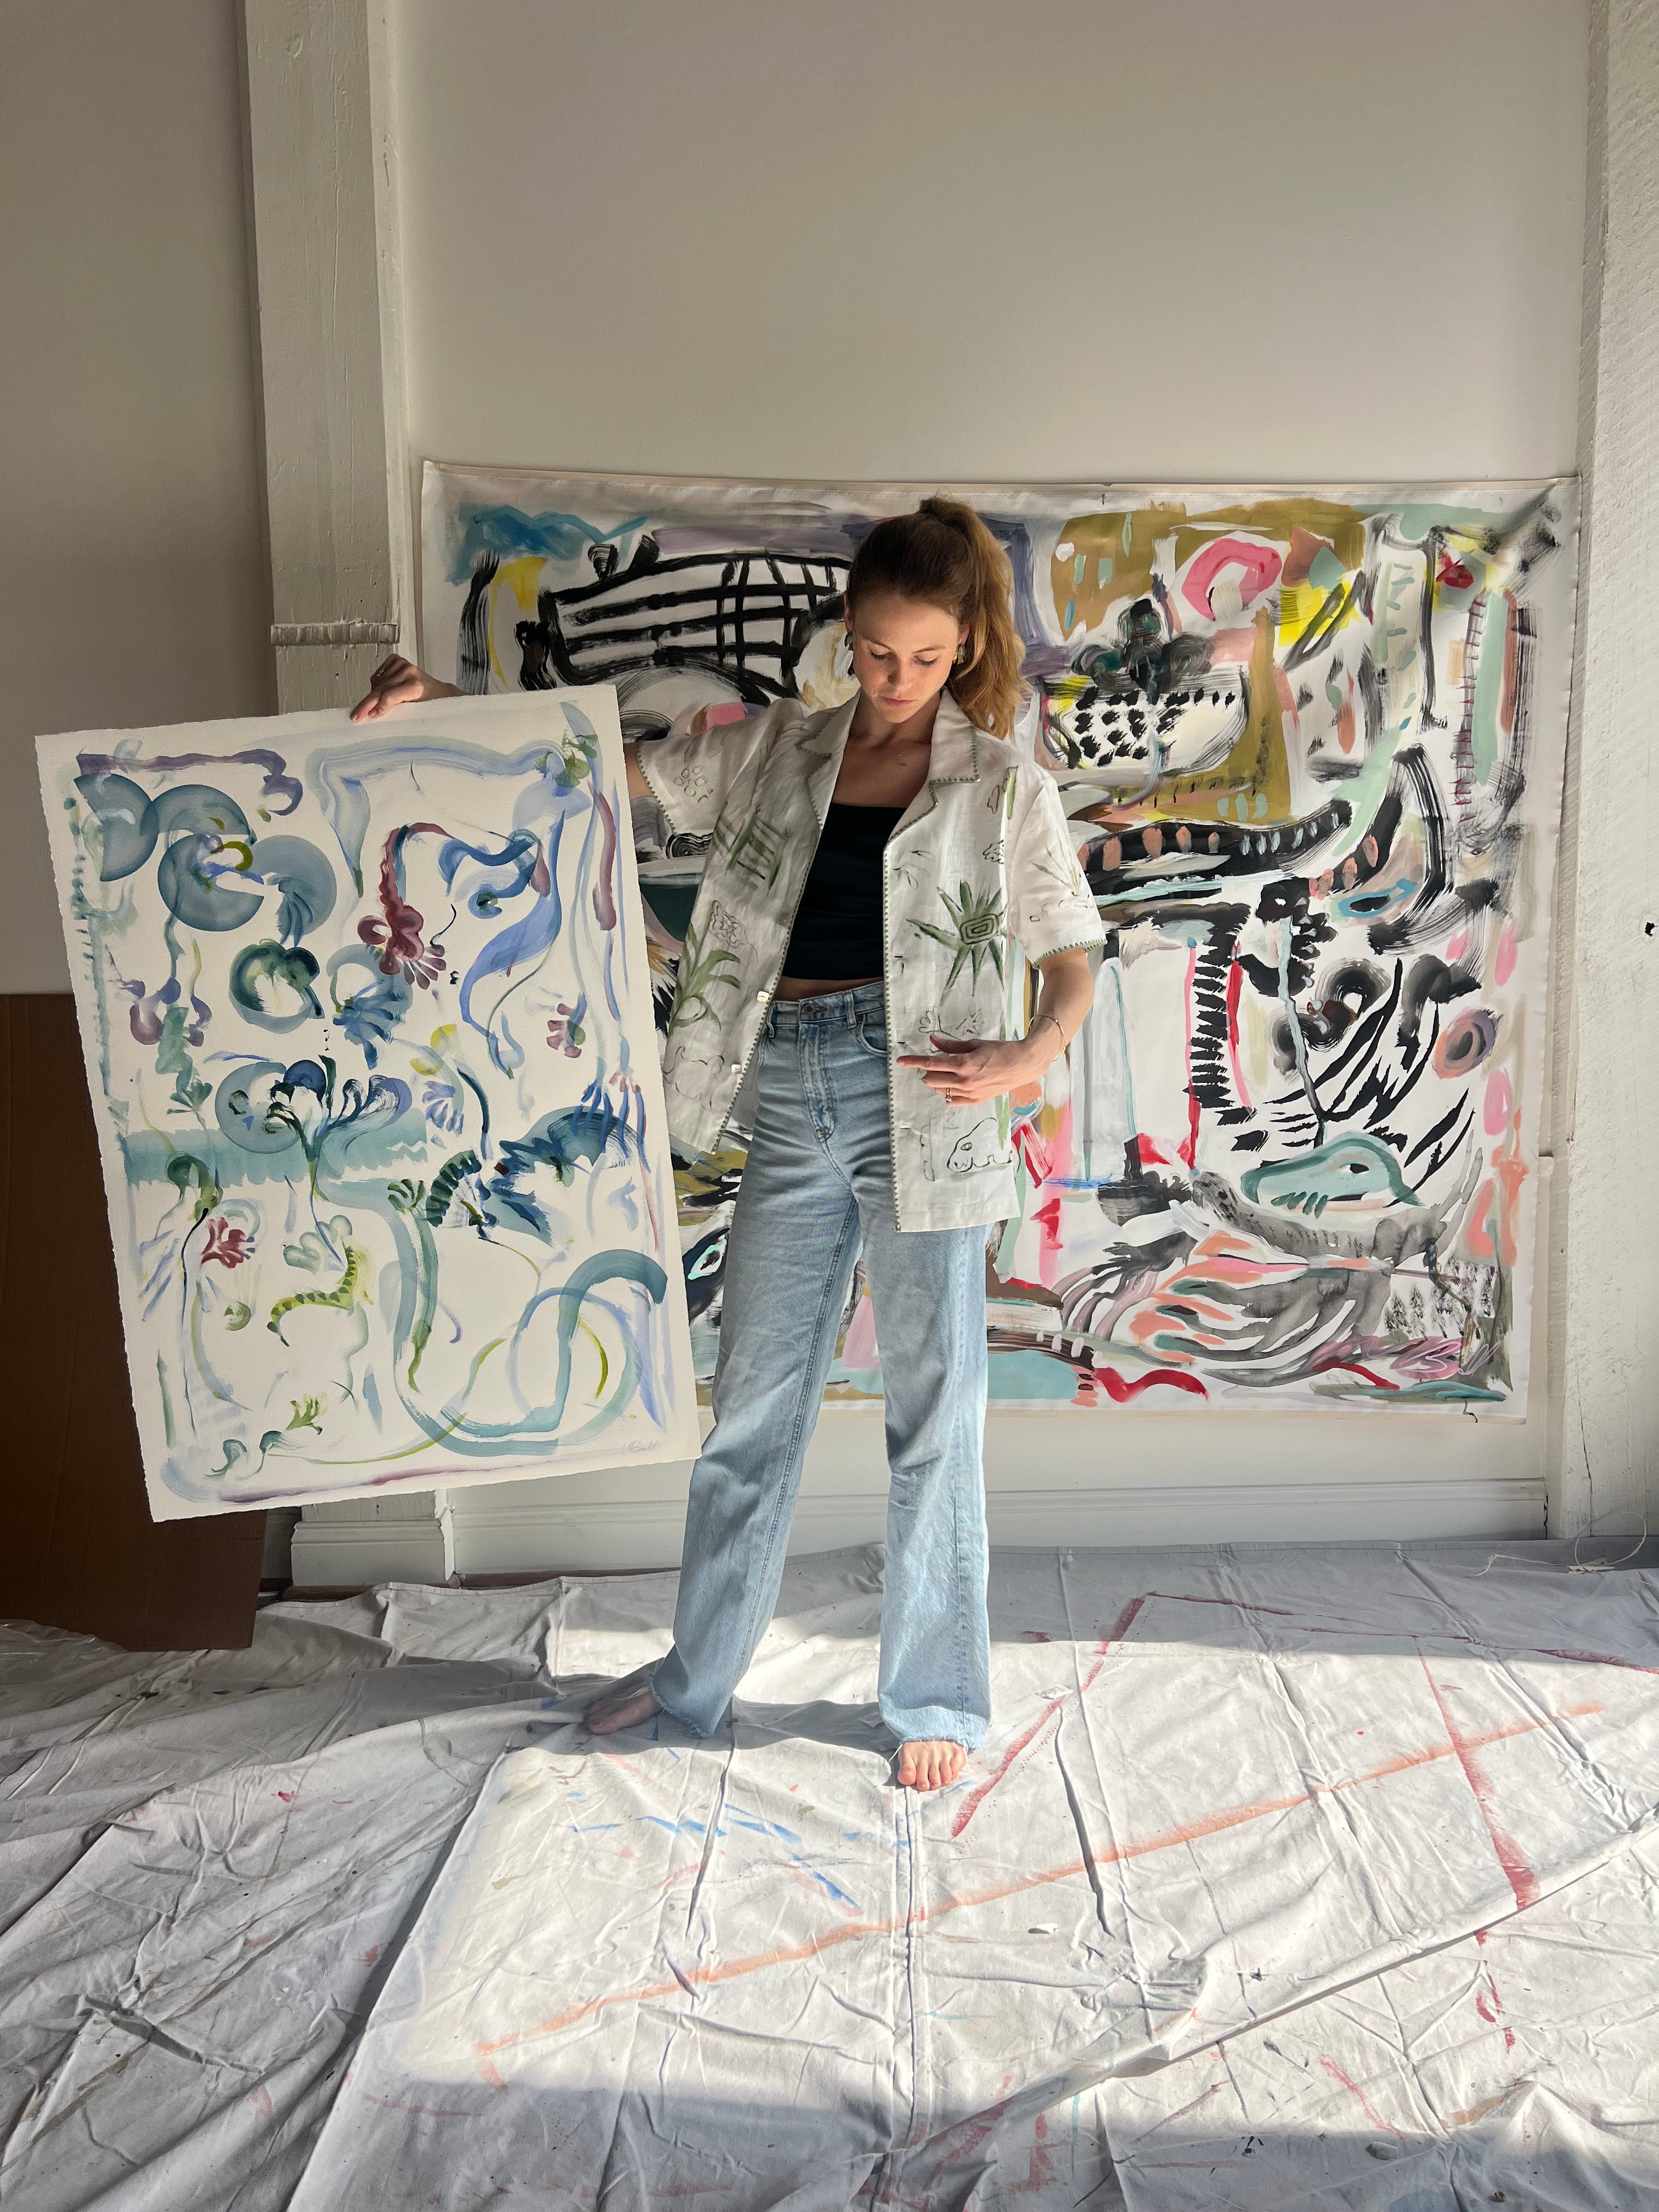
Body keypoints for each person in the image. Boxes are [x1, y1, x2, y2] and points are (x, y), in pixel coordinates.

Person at [352, 496, 1104, 1790]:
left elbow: (1072, 947)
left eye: (927, 658)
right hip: (788, 1093)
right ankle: (698, 1682)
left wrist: (1032, 1054)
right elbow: (597, 758)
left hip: (928, 1105)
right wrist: (442, 711)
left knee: (936, 1419)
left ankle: (935, 1699)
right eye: (878, 653)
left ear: (965, 644)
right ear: (847, 636)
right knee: (752, 1413)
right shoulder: (781, 751)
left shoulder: (1000, 785)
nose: (900, 679)